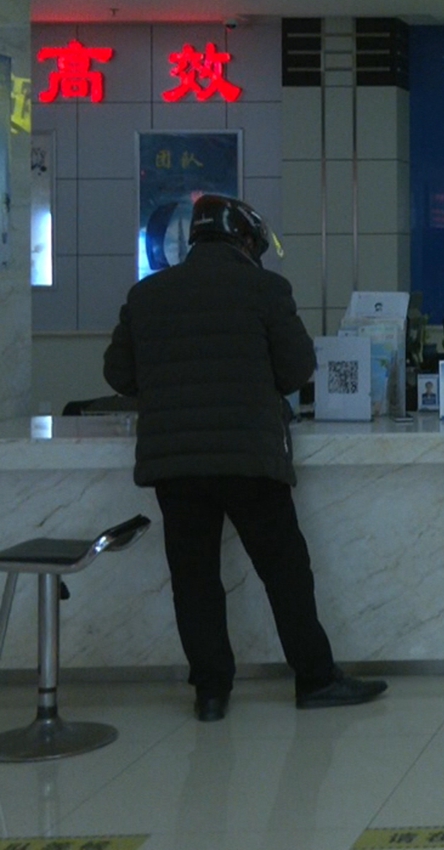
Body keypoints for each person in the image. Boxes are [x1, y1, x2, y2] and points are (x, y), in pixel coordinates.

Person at [102, 194, 387, 723]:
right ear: (247, 240)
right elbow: (296, 369)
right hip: (251, 460)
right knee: (284, 571)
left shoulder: (146, 294)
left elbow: (118, 374)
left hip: (176, 465)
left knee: (194, 580)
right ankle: (316, 678)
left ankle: (211, 693)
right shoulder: (265, 289)